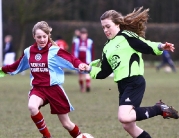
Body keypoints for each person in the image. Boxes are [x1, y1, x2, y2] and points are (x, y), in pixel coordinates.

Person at [84, 7, 178, 138]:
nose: (105, 30)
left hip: (134, 81)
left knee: (124, 117)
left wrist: (161, 46)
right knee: (128, 125)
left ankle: (159, 109)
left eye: (108, 26)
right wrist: (89, 69)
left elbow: (146, 45)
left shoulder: (126, 36)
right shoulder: (106, 47)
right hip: (122, 86)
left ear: (117, 24)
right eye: (103, 27)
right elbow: (104, 72)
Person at [0, 21, 88, 138]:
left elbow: (71, 59)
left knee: (66, 124)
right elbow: (17, 65)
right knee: (32, 106)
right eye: (39, 37)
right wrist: (2, 70)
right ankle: (47, 136)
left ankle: (81, 136)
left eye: (44, 36)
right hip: (38, 89)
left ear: (48, 36)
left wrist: (80, 65)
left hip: (54, 89)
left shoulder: (55, 51)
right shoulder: (29, 51)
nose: (42, 39)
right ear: (34, 37)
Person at [71, 28, 95, 92]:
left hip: (87, 60)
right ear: (80, 34)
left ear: (87, 34)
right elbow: (73, 50)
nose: (83, 35)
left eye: (84, 34)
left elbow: (92, 51)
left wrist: (92, 60)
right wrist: (74, 60)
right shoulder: (76, 41)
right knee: (80, 75)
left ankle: (88, 86)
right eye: (82, 34)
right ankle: (82, 88)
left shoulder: (90, 41)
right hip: (79, 61)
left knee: (87, 74)